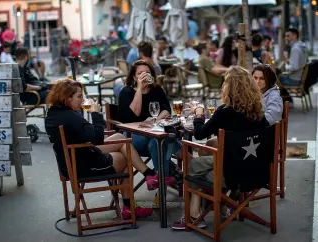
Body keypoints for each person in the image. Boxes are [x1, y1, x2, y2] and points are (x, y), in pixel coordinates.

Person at [171, 66, 269, 230]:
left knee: (194, 166)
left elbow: (200, 134)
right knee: (207, 158)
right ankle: (221, 205)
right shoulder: (257, 111)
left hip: (231, 175)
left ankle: (195, 215)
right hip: (257, 171)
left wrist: (199, 114)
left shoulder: (224, 112)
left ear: (228, 87)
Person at [45, 80, 157, 219]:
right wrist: (96, 114)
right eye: (79, 96)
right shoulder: (71, 117)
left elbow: (86, 137)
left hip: (72, 161)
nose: (82, 100)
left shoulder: (53, 114)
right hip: (84, 165)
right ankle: (131, 204)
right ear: (67, 98)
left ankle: (148, 175)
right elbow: (96, 138)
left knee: (118, 138)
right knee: (125, 156)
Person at [118, 60, 181, 185]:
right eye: (140, 73)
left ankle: (163, 176)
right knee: (161, 142)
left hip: (153, 132)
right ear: (134, 76)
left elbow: (166, 110)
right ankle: (174, 171)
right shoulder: (126, 92)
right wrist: (140, 88)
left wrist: (155, 120)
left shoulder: (156, 89)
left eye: (147, 72)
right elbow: (134, 113)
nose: (144, 75)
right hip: (131, 136)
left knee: (159, 140)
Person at [280, 28, 308, 106]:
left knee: (275, 79)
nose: (286, 38)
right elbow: (297, 63)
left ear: (295, 36)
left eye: (288, 36)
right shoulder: (302, 46)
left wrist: (286, 65)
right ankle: (288, 101)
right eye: (285, 36)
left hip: (294, 79)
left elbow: (294, 67)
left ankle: (286, 102)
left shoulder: (295, 49)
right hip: (299, 77)